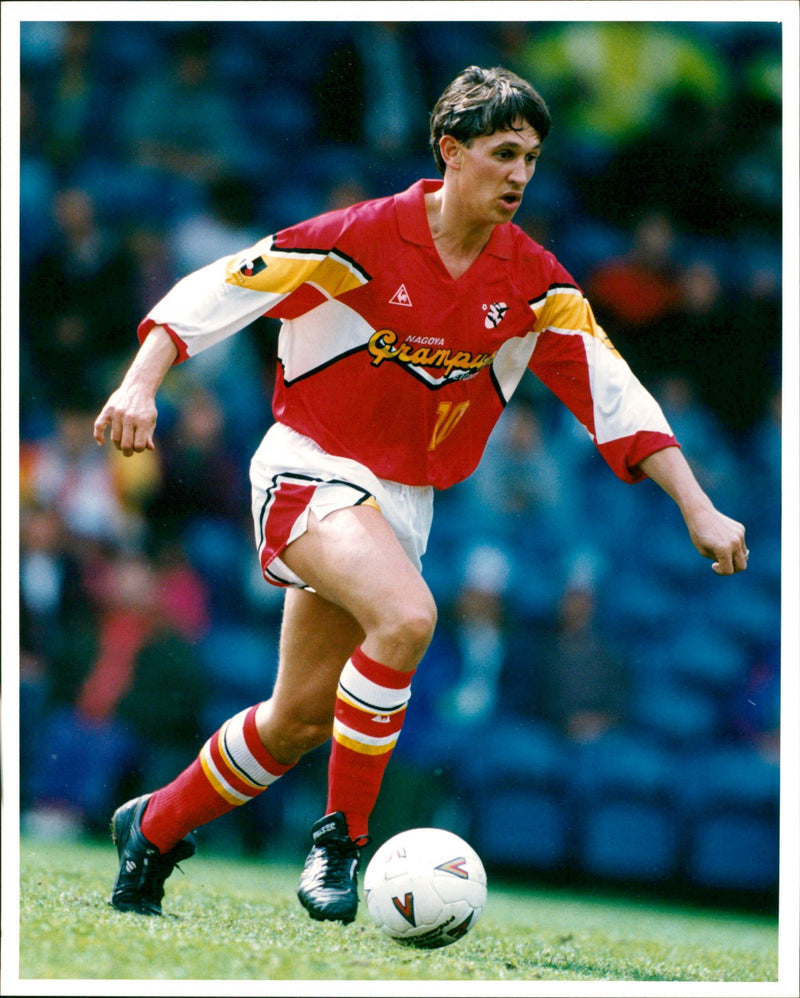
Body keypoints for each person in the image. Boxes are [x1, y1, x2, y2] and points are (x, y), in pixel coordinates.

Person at [92, 66, 749, 924]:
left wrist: (696, 503)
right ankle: (342, 845)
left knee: (295, 722)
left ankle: (153, 827)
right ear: (452, 152)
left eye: (533, 159)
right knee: (407, 620)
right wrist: (143, 381)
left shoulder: (535, 284)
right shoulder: (363, 236)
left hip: (403, 501)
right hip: (309, 465)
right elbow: (224, 286)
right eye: (503, 153)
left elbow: (614, 394)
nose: (520, 174)